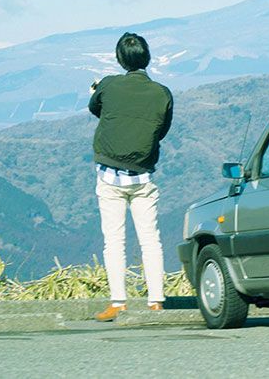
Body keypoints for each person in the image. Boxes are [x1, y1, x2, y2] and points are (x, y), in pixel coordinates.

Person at [88, 31, 174, 321]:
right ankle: (156, 302)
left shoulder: (109, 86)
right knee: (151, 240)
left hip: (110, 176)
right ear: (146, 57)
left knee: (114, 241)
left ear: (119, 58)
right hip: (143, 177)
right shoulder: (162, 93)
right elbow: (161, 130)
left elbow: (95, 108)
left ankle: (118, 302)